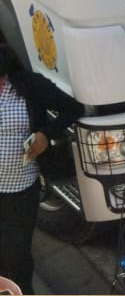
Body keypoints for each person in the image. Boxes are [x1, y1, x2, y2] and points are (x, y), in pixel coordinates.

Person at [0, 44, 82, 296]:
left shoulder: (27, 85)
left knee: (16, 255)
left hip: (19, 190)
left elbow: (72, 109)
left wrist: (45, 134)